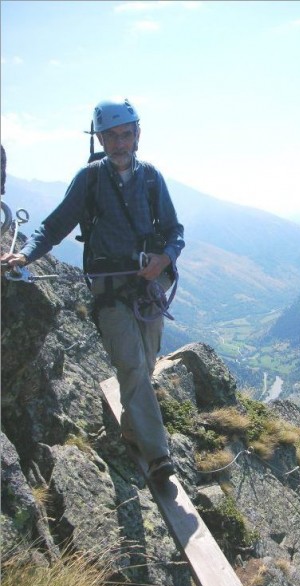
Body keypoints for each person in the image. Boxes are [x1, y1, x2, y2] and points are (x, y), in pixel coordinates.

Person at [1, 99, 185, 482]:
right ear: (99, 138)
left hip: (148, 287)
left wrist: (164, 259)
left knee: (144, 367)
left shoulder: (151, 178)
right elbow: (54, 227)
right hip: (109, 291)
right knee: (132, 365)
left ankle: (134, 431)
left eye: (126, 135)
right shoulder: (89, 179)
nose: (119, 143)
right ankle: (158, 457)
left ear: (137, 135)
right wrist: (25, 256)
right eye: (111, 136)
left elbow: (174, 232)